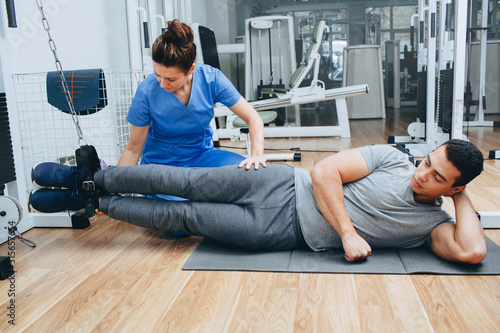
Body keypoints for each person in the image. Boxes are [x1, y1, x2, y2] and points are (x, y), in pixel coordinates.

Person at [29, 139, 488, 264]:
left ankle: (97, 205)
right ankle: (90, 178)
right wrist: (348, 233)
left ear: (453, 189)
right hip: (280, 185)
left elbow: (470, 251)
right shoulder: (391, 159)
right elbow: (325, 171)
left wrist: (462, 199)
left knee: (185, 216)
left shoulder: (428, 227)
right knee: (186, 182)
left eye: (437, 178)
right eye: (427, 162)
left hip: (282, 233)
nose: (421, 174)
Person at [119, 19, 266, 171]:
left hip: (201, 157)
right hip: (161, 165)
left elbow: (253, 118)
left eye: (171, 79)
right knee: (180, 194)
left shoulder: (211, 79)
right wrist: (113, 186)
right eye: (157, 75)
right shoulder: (146, 91)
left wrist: (256, 156)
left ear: (190, 69)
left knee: (248, 173)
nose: (162, 84)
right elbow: (133, 150)